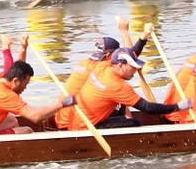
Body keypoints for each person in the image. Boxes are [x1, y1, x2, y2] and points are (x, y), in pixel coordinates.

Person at [53, 48, 183, 130]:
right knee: (134, 124)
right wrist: (178, 106)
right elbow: (147, 108)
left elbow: (128, 51)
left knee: (121, 113)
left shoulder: (102, 67)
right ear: (121, 65)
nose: (136, 70)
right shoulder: (118, 86)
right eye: (133, 67)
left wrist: (142, 39)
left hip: (77, 121)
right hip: (86, 128)